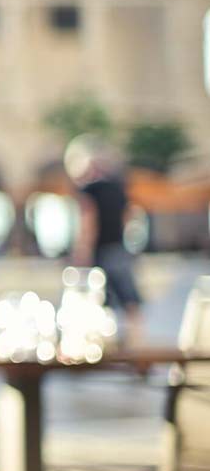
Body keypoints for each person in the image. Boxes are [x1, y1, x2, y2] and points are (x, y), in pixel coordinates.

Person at [66, 133, 143, 334]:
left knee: (95, 296)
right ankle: (137, 338)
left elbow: (88, 222)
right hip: (118, 247)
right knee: (129, 299)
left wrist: (82, 250)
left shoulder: (89, 191)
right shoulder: (118, 188)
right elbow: (129, 215)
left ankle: (99, 339)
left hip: (100, 250)